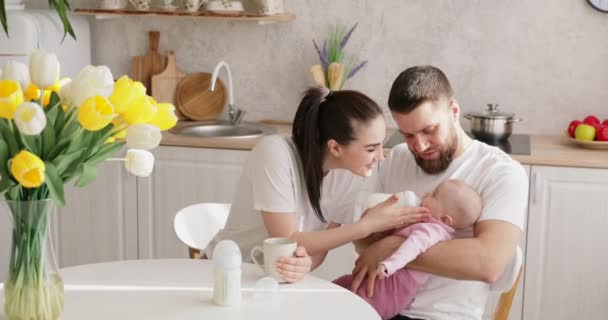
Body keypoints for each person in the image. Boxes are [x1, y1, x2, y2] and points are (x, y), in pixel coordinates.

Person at [350, 66, 529, 320]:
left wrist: (393, 245)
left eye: (428, 130)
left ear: (454, 111)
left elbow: (489, 263)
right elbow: (363, 242)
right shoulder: (398, 158)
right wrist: (372, 234)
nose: (419, 146)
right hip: (380, 304)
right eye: (408, 135)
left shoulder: (499, 172)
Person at [206, 87, 431, 283]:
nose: (380, 157)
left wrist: (304, 266)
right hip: (229, 272)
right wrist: (366, 226)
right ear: (335, 148)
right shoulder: (274, 153)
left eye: (381, 145)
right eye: (371, 149)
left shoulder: (350, 173)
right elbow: (287, 240)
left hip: (277, 280)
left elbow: (320, 245)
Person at [333, 179, 483, 320]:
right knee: (335, 287)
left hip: (391, 290)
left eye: (434, 195)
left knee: (352, 307)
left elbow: (412, 247)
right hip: (381, 281)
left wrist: (390, 265)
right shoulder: (421, 221)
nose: (427, 194)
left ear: (444, 219)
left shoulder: (434, 231)